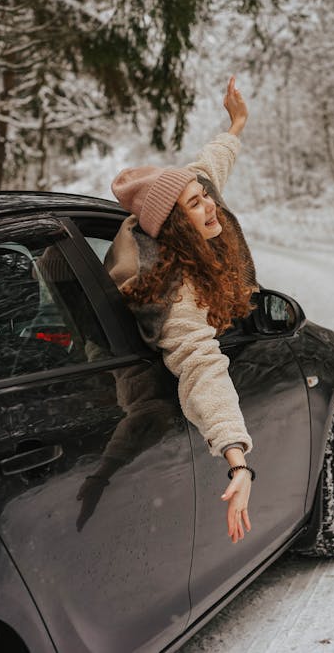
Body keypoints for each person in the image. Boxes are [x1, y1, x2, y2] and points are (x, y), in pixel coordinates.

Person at [105, 76, 257, 544]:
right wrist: (238, 458)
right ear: (174, 225)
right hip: (130, 393)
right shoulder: (170, 291)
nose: (210, 204)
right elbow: (199, 365)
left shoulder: (189, 202)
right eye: (196, 203)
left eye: (204, 195)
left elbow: (209, 165)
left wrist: (237, 122)